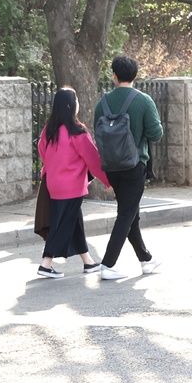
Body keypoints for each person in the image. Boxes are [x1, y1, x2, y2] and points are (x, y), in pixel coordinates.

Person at [94, 57, 164, 280]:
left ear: (113, 75)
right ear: (135, 76)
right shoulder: (143, 101)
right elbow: (156, 134)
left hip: (112, 166)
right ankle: (108, 264)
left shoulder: (102, 103)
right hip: (134, 165)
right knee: (126, 213)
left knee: (130, 213)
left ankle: (146, 260)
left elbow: (99, 134)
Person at [37, 87, 111, 278]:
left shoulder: (49, 130)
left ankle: (88, 262)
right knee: (62, 224)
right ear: (71, 106)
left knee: (74, 221)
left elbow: (42, 150)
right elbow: (93, 159)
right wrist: (108, 181)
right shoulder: (77, 131)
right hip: (72, 186)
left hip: (54, 184)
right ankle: (46, 263)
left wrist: (52, 167)